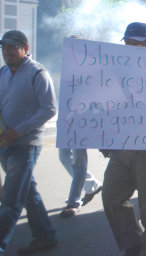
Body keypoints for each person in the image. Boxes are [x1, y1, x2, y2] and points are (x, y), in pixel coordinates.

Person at [102, 22, 146, 256]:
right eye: (127, 43)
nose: (130, 48)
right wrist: (104, 136)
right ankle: (134, 243)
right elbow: (106, 104)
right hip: (122, 146)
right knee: (111, 197)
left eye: (136, 44)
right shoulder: (115, 69)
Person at [0, 30, 58, 254]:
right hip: (5, 144)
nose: (7, 52)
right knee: (27, 192)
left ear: (26, 49)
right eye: (4, 47)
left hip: (26, 145)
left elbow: (49, 109)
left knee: (12, 198)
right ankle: (45, 235)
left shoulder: (38, 73)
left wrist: (18, 130)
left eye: (13, 47)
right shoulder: (3, 72)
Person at [58, 34, 103, 218]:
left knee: (79, 161)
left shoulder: (93, 68)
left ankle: (73, 201)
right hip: (68, 120)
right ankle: (92, 185)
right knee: (63, 156)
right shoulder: (68, 67)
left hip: (84, 121)